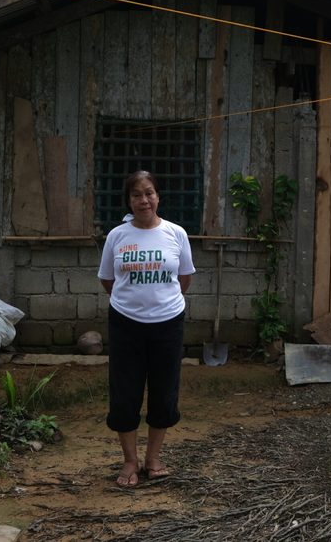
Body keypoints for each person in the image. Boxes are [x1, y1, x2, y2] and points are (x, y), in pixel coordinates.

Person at [98, 170, 195, 487]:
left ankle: (153, 458)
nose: (144, 200)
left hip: (168, 324)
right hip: (126, 325)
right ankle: (129, 461)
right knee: (125, 392)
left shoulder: (176, 234)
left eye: (149, 193)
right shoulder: (117, 236)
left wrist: (160, 304)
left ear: (158, 196)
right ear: (129, 200)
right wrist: (134, 304)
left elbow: (184, 279)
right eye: (137, 195)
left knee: (165, 390)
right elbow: (108, 281)